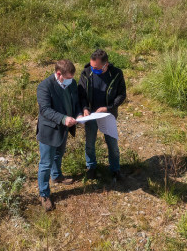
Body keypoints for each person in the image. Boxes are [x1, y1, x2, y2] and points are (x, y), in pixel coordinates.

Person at [36, 59, 82, 210]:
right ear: (59, 74)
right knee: (45, 163)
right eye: (68, 78)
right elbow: (45, 110)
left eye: (72, 78)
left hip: (64, 129)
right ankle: (44, 194)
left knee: (59, 154)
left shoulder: (72, 83)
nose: (71, 81)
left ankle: (56, 176)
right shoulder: (44, 86)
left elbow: (75, 102)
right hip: (49, 130)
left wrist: (79, 114)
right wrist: (63, 119)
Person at [78, 49, 126, 182]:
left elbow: (122, 95)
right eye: (92, 66)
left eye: (97, 68)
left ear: (106, 64)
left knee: (112, 143)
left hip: (107, 115)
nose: (93, 70)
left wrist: (108, 108)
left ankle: (115, 169)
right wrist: (85, 108)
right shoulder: (86, 73)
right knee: (90, 142)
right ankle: (91, 167)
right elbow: (81, 94)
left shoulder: (116, 74)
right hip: (91, 115)